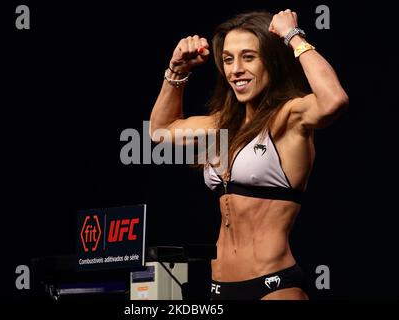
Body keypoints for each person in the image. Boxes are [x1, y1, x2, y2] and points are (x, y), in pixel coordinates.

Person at [149, 9, 348, 300]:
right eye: (228, 59)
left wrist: (293, 36)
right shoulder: (221, 126)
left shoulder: (288, 118)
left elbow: (334, 100)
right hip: (220, 287)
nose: (236, 69)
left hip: (273, 285)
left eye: (248, 57)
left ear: (270, 60)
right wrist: (178, 70)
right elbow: (161, 131)